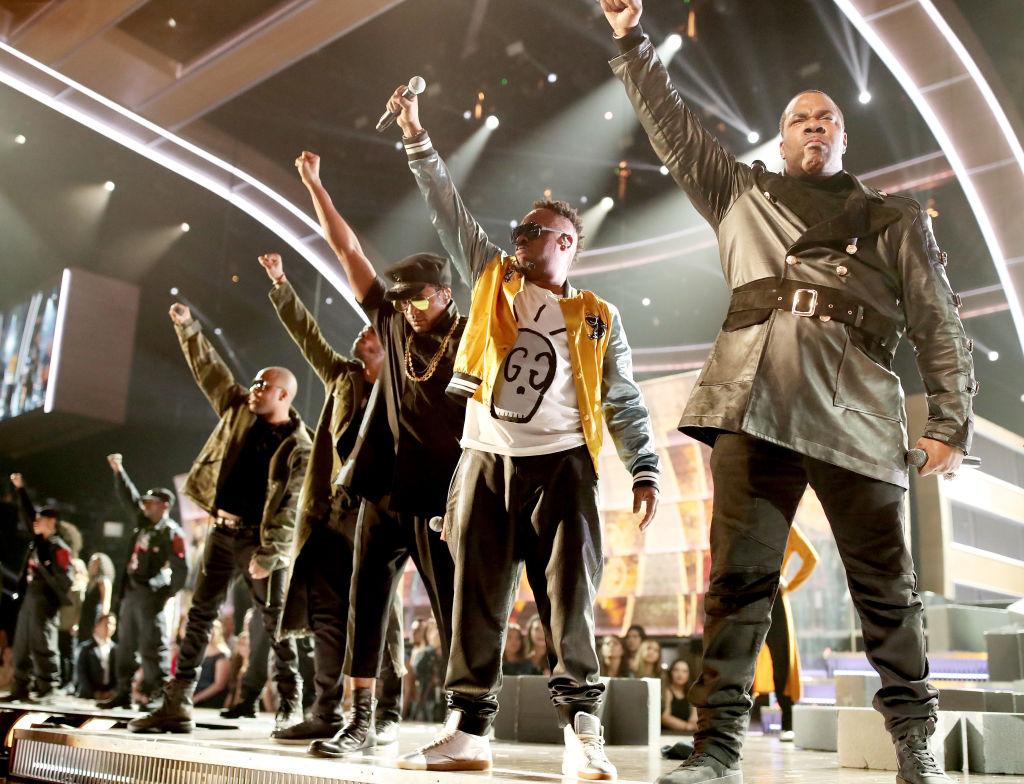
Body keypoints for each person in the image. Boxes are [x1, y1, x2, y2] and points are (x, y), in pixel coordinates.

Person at [601, 2, 975, 782]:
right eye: (800, 116)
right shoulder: (738, 190)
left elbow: (939, 322)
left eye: (825, 117)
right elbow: (672, 130)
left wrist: (948, 418)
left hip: (859, 409)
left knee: (886, 588)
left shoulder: (892, 217)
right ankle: (717, 748)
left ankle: (913, 741)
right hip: (752, 400)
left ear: (843, 137)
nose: (812, 123)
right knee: (737, 581)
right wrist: (633, 40)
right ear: (781, 138)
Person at [389, 86, 660, 780]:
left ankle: (583, 730)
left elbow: (621, 397)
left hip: (563, 467)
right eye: (519, 230)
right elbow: (447, 210)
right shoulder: (491, 284)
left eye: (534, 231)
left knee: (568, 603)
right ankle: (470, 731)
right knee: (474, 598)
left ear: (567, 243)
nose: (519, 238)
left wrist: (646, 467)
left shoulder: (598, 317)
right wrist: (417, 136)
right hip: (485, 460)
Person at [294, 150, 464, 759]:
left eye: (420, 297)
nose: (409, 307)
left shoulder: (470, 335)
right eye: (403, 298)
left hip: (439, 496)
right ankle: (359, 719)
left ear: (444, 293)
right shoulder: (391, 321)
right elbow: (347, 252)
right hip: (380, 487)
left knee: (452, 610)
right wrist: (317, 185)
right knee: (366, 602)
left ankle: (466, 723)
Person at [129, 304, 311, 736]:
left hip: (259, 542)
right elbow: (210, 371)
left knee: (276, 621)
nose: (255, 388)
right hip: (221, 533)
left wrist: (270, 554)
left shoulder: (298, 445)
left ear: (284, 395)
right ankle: (178, 703)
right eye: (255, 382)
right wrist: (188, 327)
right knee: (200, 616)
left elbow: (291, 505)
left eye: (264, 385)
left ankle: (290, 703)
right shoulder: (238, 409)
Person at [257, 252, 406, 746]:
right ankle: (325, 712)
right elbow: (307, 336)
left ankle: (385, 712)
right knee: (324, 617)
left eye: (370, 332)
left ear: (388, 346)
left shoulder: (408, 388)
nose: (362, 334)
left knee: (377, 614)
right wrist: (281, 284)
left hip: (378, 517)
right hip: (329, 515)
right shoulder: (343, 377)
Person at [98, 455, 187, 709]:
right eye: (146, 503)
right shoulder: (142, 524)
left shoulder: (172, 533)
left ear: (164, 506)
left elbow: (183, 569)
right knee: (125, 645)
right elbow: (130, 497)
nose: (145, 507)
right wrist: (119, 471)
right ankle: (123, 692)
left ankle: (157, 695)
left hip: (151, 595)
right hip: (131, 593)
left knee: (152, 646)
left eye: (151, 503)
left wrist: (165, 594)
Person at [2, 473, 73, 703]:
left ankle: (48, 686)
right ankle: (20, 686)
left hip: (45, 600)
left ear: (51, 522)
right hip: (29, 598)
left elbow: (65, 578)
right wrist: (20, 489)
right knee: (22, 643)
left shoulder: (58, 548)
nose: (35, 522)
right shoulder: (38, 542)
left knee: (43, 643)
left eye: (41, 519)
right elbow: (27, 513)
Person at [752, 524, 819, 740]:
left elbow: (811, 557)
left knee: (782, 660)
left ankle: (787, 722)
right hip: (746, 597)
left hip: (774, 599)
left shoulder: (786, 524)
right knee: (744, 658)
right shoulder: (747, 520)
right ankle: (732, 726)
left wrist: (788, 585)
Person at [74, 613, 117, 700]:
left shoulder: (116, 649)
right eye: (106, 624)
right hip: (87, 696)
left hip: (109, 697)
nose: (109, 627)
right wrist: (95, 693)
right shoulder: (85, 648)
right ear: (96, 626)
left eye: (112, 624)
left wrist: (112, 692)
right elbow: (81, 674)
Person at [193, 618, 232, 709]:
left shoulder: (221, 655)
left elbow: (219, 685)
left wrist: (196, 699)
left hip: (210, 700)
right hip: (196, 695)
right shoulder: (198, 652)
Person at [79, 553, 114, 636]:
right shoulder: (90, 582)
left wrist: (101, 622)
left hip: (95, 617)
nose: (92, 565)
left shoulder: (103, 582)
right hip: (86, 616)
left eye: (95, 563)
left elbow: (106, 603)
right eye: (91, 562)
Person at [662, 659, 698, 734]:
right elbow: (665, 718)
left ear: (689, 674)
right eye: (676, 670)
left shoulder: (692, 692)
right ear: (671, 673)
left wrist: (692, 725)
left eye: (684, 671)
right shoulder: (667, 691)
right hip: (667, 735)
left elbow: (694, 718)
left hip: (686, 735)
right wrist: (686, 726)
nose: (680, 674)